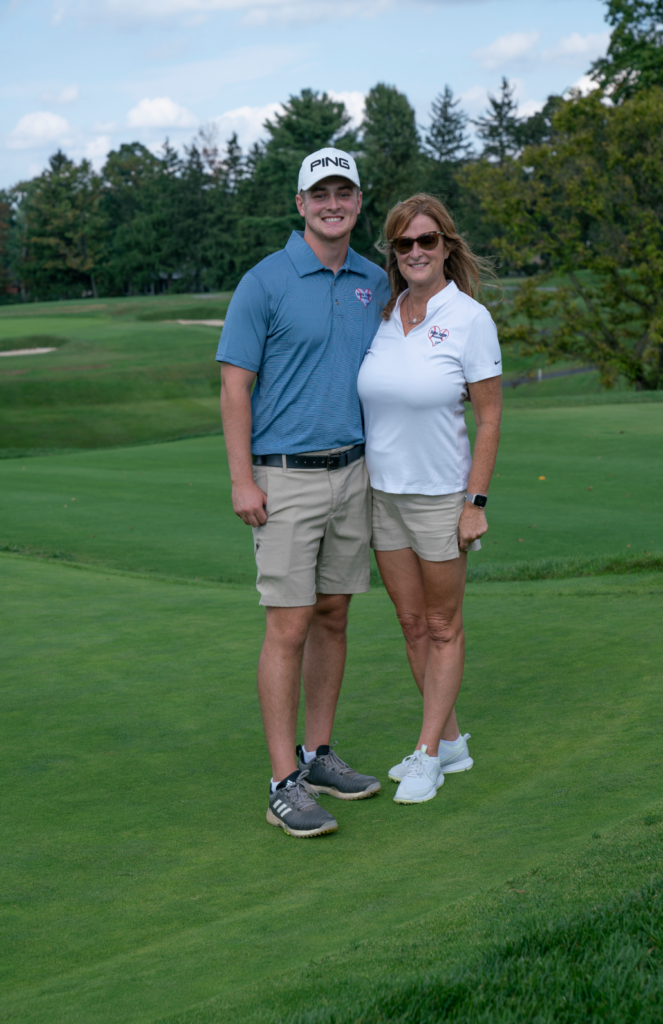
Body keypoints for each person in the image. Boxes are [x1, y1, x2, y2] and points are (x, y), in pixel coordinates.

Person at [218, 147, 389, 837]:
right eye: (320, 193)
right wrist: (241, 479)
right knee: (287, 625)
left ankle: (318, 755)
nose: (332, 203)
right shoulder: (263, 282)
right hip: (283, 475)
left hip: (354, 472)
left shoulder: (372, 280)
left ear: (356, 201)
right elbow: (235, 386)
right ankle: (281, 780)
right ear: (299, 204)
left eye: (343, 191)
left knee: (334, 616)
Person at [357, 193, 502, 804]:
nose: (416, 251)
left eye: (427, 241)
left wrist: (477, 501)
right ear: (393, 252)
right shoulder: (385, 315)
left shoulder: (469, 317)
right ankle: (449, 743)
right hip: (382, 496)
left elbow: (490, 418)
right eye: (403, 243)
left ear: (447, 246)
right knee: (412, 623)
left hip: (442, 497)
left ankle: (426, 755)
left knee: (443, 625)